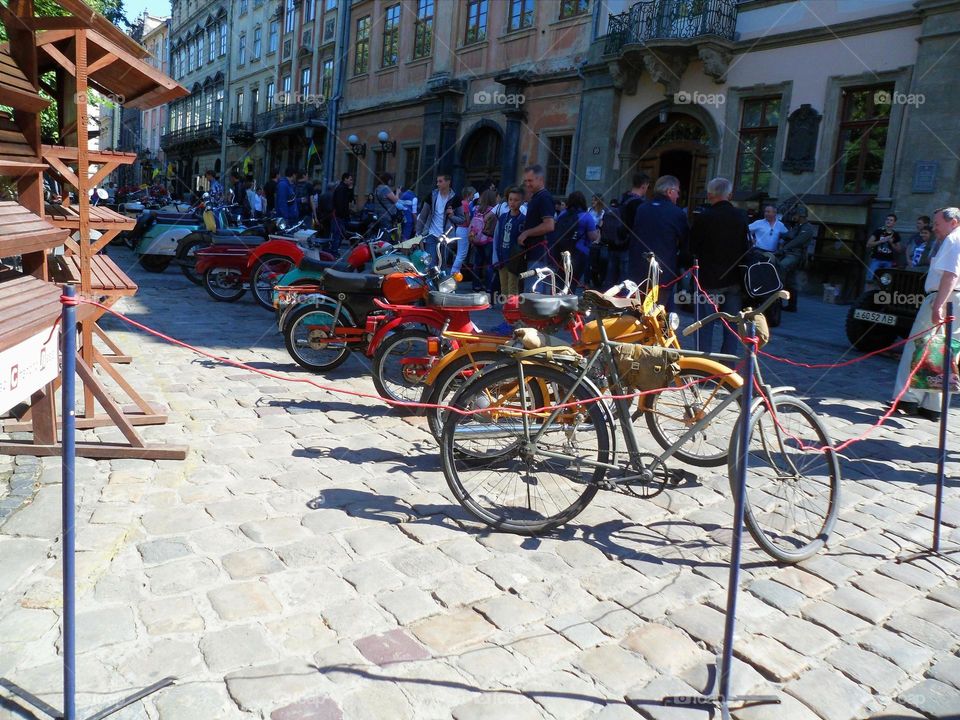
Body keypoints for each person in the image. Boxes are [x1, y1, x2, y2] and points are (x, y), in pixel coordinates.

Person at [890, 207, 960, 420]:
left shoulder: (953, 239)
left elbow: (951, 274)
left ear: (953, 222)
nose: (934, 228)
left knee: (918, 345)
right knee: (947, 352)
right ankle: (933, 406)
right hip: (956, 299)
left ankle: (907, 399)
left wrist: (938, 305)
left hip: (943, 297)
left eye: (938, 224)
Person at [690, 177, 749, 355]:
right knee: (731, 328)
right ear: (729, 195)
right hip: (734, 281)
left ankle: (702, 367)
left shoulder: (704, 217)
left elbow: (691, 248)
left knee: (704, 326)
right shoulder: (741, 217)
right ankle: (727, 367)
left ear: (709, 195)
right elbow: (746, 248)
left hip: (708, 281)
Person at [629, 174, 689, 312]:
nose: (678, 196)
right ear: (669, 191)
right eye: (677, 192)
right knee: (660, 312)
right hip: (664, 271)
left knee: (639, 309)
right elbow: (685, 242)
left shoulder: (642, 208)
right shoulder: (677, 213)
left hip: (638, 269)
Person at [605, 173, 650, 289]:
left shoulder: (622, 197)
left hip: (613, 243)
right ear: (644, 186)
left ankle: (605, 302)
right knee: (625, 282)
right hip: (627, 245)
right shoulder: (639, 204)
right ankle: (621, 305)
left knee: (610, 278)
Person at [518, 165, 556, 293]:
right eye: (526, 181)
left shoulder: (544, 197)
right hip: (534, 252)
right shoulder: (536, 197)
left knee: (534, 293)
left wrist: (526, 233)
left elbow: (549, 225)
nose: (527, 184)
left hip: (541, 254)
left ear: (540, 179)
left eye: (530, 180)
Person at [415, 174, 463, 267]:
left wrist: (452, 216)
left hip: (446, 237)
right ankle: (429, 281)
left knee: (443, 264)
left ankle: (442, 281)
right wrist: (418, 232)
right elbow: (423, 216)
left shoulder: (456, 198)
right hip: (431, 234)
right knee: (430, 263)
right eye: (437, 181)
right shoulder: (432, 196)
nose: (437, 184)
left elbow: (461, 220)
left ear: (448, 182)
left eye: (440, 181)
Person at [775, 208, 817, 313]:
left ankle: (778, 299)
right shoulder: (798, 226)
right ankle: (791, 305)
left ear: (801, 216)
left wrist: (783, 249)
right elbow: (789, 235)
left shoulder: (807, 228)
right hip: (790, 253)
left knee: (780, 267)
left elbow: (797, 241)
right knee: (791, 281)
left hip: (796, 255)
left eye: (796, 215)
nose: (794, 217)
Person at [557, 191, 599, 290]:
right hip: (580, 253)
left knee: (561, 281)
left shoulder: (562, 214)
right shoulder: (587, 216)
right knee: (573, 283)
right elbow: (593, 237)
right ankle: (568, 302)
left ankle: (558, 301)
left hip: (561, 251)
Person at [492, 186, 526, 300]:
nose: (513, 202)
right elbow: (496, 237)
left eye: (516, 200)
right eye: (511, 199)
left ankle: (513, 311)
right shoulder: (502, 218)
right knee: (504, 287)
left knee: (513, 286)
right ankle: (506, 311)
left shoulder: (523, 219)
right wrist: (495, 258)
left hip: (515, 259)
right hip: (502, 257)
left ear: (521, 201)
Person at [467, 189, 498, 292]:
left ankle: (476, 285)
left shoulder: (476, 209)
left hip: (476, 239)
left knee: (477, 264)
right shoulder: (494, 210)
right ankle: (488, 287)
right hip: (488, 239)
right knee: (489, 264)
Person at [866, 213, 902, 281]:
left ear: (894, 223)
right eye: (887, 219)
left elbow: (899, 250)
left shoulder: (896, 234)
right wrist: (881, 241)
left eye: (891, 220)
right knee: (870, 280)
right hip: (876, 259)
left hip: (888, 261)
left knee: (885, 282)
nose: (888, 221)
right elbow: (868, 244)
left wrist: (891, 243)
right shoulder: (878, 231)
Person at [450, 187, 475, 275]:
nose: (473, 197)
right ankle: (454, 272)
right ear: (468, 195)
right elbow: (467, 221)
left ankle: (456, 271)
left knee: (460, 253)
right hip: (464, 229)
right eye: (472, 195)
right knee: (462, 254)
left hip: (459, 229)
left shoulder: (462, 203)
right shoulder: (466, 205)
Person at [331, 173, 355, 253]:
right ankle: (334, 251)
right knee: (338, 234)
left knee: (340, 235)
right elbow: (340, 203)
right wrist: (342, 214)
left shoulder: (345, 188)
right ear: (345, 179)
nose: (352, 181)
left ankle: (335, 251)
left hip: (341, 215)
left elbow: (350, 199)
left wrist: (351, 189)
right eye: (350, 179)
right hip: (339, 216)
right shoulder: (341, 188)